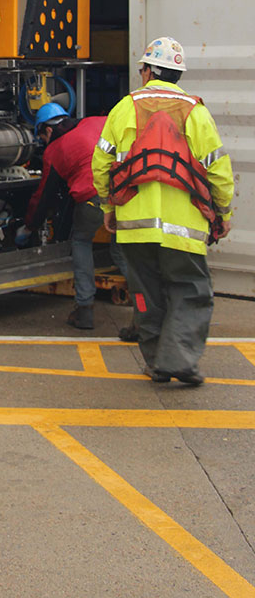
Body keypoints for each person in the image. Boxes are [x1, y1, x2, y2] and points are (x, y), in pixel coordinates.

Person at [92, 36, 234, 387]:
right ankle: (180, 360)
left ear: (147, 71)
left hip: (134, 226)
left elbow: (101, 163)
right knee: (191, 292)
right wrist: (224, 212)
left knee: (147, 295)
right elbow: (217, 169)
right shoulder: (195, 112)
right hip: (183, 228)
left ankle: (157, 363)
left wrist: (109, 207)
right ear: (176, 75)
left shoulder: (125, 108)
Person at [16, 102, 127, 332]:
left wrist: (29, 227)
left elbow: (43, 197)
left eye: (42, 137)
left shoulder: (54, 151)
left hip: (92, 197)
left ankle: (85, 309)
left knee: (81, 241)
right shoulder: (98, 121)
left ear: (47, 130)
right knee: (123, 248)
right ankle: (148, 304)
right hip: (126, 193)